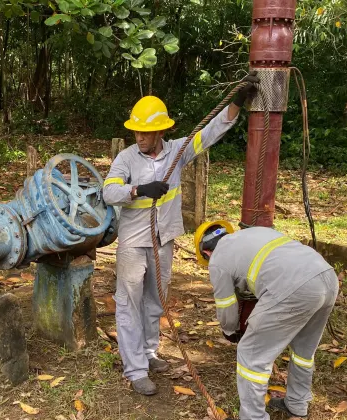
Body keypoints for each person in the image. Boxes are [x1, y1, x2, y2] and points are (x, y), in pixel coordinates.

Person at [102, 74, 259, 396]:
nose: (139, 136)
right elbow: (108, 192)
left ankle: (148, 353)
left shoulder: (178, 151)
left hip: (164, 240)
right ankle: (135, 370)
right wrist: (137, 189)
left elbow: (211, 132)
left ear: (160, 131)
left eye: (145, 132)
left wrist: (237, 100)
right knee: (128, 303)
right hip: (133, 243)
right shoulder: (126, 158)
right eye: (135, 130)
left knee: (155, 301)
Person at [196, 221, 338, 420]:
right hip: (326, 277)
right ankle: (297, 405)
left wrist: (231, 331)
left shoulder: (218, 260)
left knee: (251, 356)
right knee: (303, 351)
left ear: (206, 252)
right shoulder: (253, 234)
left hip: (292, 287)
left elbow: (226, 306)